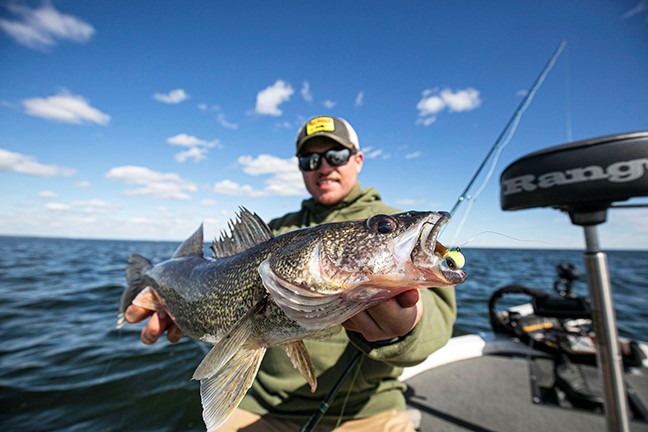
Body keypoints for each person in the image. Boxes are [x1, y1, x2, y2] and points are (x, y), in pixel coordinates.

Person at [124, 116, 457, 431]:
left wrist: (406, 328)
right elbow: (217, 304)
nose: (323, 167)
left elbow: (438, 326)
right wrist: (179, 301)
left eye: (335, 155)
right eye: (309, 161)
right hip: (261, 404)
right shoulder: (277, 230)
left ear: (358, 159)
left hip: (365, 409)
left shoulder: (397, 227)